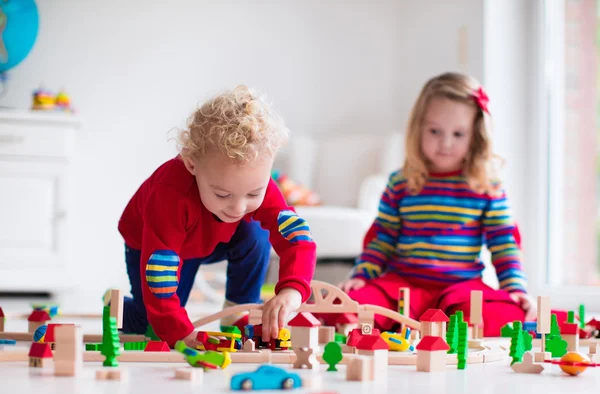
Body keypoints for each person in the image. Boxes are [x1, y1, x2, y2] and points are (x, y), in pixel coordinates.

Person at [117, 85, 316, 347]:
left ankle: (236, 312)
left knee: (254, 233)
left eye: (254, 193)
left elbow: (296, 237)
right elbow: (159, 278)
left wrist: (293, 291)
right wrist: (182, 336)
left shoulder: (257, 184)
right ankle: (119, 308)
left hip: (214, 235)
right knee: (152, 324)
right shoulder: (170, 195)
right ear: (191, 165)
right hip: (157, 245)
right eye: (223, 194)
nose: (238, 208)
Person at [337, 72, 534, 336]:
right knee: (344, 306)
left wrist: (515, 289)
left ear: (475, 135)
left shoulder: (487, 186)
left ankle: (430, 325)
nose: (445, 143)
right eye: (434, 131)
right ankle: (413, 323)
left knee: (503, 314)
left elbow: (504, 244)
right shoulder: (401, 182)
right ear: (418, 128)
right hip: (402, 285)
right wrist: (362, 275)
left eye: (458, 134)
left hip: (461, 288)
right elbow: (382, 238)